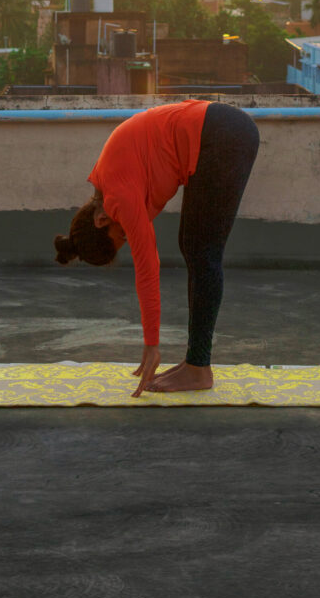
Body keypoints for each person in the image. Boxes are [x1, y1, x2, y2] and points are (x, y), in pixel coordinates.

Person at [54, 100, 260, 398]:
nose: (127, 234)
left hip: (221, 135)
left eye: (120, 236)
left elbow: (147, 267)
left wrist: (151, 347)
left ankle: (199, 369)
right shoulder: (108, 182)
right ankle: (195, 363)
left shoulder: (117, 196)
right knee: (194, 246)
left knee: (202, 250)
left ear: (101, 220)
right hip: (220, 132)